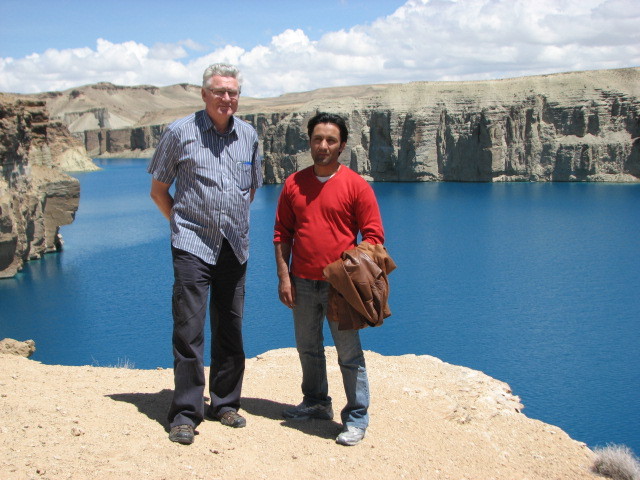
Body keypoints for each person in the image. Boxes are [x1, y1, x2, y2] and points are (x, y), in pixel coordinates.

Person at [148, 63, 262, 445]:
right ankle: (185, 413)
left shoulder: (249, 135)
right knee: (189, 330)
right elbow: (159, 190)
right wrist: (181, 224)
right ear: (204, 94)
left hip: (235, 246)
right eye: (219, 92)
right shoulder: (180, 133)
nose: (226, 99)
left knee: (230, 328)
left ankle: (226, 403)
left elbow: (251, 188)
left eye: (232, 92)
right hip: (193, 246)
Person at [273, 112, 385, 446]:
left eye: (331, 140)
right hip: (302, 282)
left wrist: (349, 269)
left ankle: (356, 418)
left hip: (342, 287)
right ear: (309, 142)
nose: (323, 146)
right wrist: (284, 276)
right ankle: (316, 403)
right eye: (317, 139)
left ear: (342, 145)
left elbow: (374, 236)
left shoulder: (356, 186)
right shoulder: (294, 184)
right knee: (308, 347)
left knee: (349, 354)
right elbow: (282, 233)